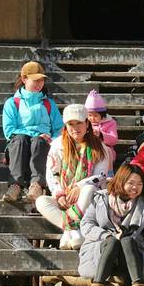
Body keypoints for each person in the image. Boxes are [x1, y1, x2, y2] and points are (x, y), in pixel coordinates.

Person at [35, 104, 113, 250]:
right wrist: (59, 194)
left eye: (79, 123)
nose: (75, 128)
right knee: (41, 201)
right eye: (71, 124)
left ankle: (69, 232)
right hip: (65, 195)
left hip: (89, 198)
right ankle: (72, 230)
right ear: (66, 126)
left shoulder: (99, 147)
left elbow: (101, 175)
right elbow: (52, 173)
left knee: (89, 189)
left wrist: (79, 186)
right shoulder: (57, 145)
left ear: (87, 124)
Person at [1, 61, 63, 203]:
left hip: (42, 144)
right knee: (21, 139)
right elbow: (9, 131)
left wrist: (51, 139)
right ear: (24, 79)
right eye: (35, 80)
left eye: (41, 80)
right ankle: (15, 185)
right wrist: (34, 134)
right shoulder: (12, 103)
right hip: (19, 145)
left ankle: (36, 185)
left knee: (39, 141)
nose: (39, 84)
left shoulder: (49, 104)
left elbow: (59, 129)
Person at [84, 89, 118, 163]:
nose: (92, 118)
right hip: (88, 150)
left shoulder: (110, 123)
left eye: (95, 115)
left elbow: (114, 140)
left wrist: (101, 135)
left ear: (102, 115)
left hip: (105, 152)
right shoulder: (85, 123)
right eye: (89, 115)